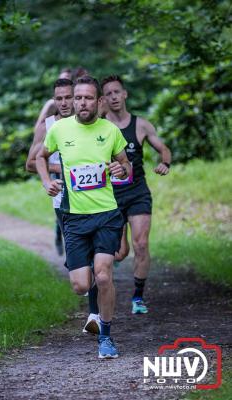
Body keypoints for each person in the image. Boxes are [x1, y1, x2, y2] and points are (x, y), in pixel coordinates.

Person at [36, 76, 131, 359]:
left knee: (103, 275)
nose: (82, 103)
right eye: (78, 98)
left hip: (106, 214)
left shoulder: (110, 130)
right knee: (80, 285)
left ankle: (106, 337)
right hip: (75, 218)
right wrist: (46, 182)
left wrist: (120, 169)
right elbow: (41, 156)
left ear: (98, 101)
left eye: (89, 98)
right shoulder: (59, 129)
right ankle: (96, 308)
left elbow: (125, 164)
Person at [100, 74, 172, 315]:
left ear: (125, 94)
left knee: (141, 244)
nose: (113, 97)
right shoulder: (100, 126)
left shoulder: (140, 124)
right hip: (111, 196)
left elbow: (163, 148)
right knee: (121, 252)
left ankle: (138, 297)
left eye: (116, 92)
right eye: (108, 93)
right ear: (104, 99)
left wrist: (165, 163)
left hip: (138, 191)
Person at [26, 78, 74, 251]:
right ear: (54, 100)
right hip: (62, 195)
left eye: (68, 97)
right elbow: (30, 164)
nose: (64, 103)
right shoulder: (47, 126)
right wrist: (58, 168)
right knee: (74, 246)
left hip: (92, 193)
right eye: (59, 99)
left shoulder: (87, 122)